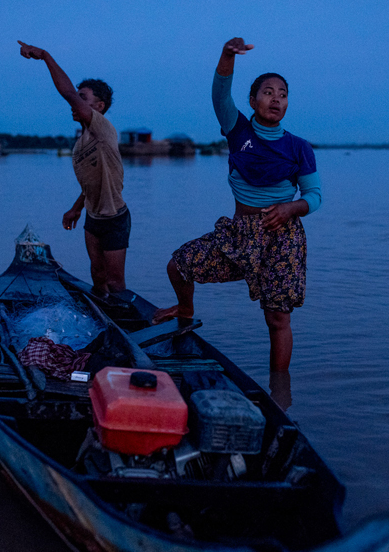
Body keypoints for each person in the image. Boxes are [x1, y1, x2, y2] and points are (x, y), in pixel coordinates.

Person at [153, 38, 323, 380]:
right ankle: (185, 308)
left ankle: (279, 391)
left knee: (277, 318)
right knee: (178, 265)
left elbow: (315, 196)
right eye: (268, 92)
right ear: (252, 100)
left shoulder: (299, 147)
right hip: (240, 233)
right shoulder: (238, 130)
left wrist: (291, 209)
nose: (276, 98)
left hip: (282, 237)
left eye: (283, 94)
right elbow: (219, 95)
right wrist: (227, 55)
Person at [18, 40, 130, 297]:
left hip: (114, 218)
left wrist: (45, 56)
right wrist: (76, 208)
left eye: (83, 98)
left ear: (99, 107)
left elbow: (67, 92)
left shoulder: (103, 128)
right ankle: (102, 316)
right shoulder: (81, 143)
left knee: (115, 282)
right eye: (77, 98)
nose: (74, 103)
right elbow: (90, 181)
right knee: (98, 277)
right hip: (93, 218)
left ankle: (123, 324)